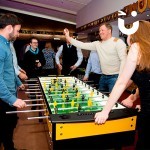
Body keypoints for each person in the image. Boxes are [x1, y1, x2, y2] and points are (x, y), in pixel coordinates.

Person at [94, 21, 150, 149]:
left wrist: (105, 111)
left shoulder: (136, 47)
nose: (127, 37)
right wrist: (133, 97)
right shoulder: (146, 52)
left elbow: (121, 83)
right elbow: (142, 79)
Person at [64, 23, 127, 93]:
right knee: (101, 98)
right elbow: (82, 45)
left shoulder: (118, 42)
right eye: (99, 31)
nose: (100, 32)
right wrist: (68, 37)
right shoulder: (97, 44)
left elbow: (124, 60)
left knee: (113, 100)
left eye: (102, 30)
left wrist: (120, 78)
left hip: (115, 77)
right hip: (103, 76)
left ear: (109, 31)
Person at [0, 13, 27, 150]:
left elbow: (9, 69)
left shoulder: (6, 45)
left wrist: (17, 82)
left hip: (8, 94)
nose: (18, 34)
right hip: (3, 98)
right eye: (17, 30)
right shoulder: (0, 46)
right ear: (9, 28)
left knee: (9, 127)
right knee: (4, 128)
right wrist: (12, 99)